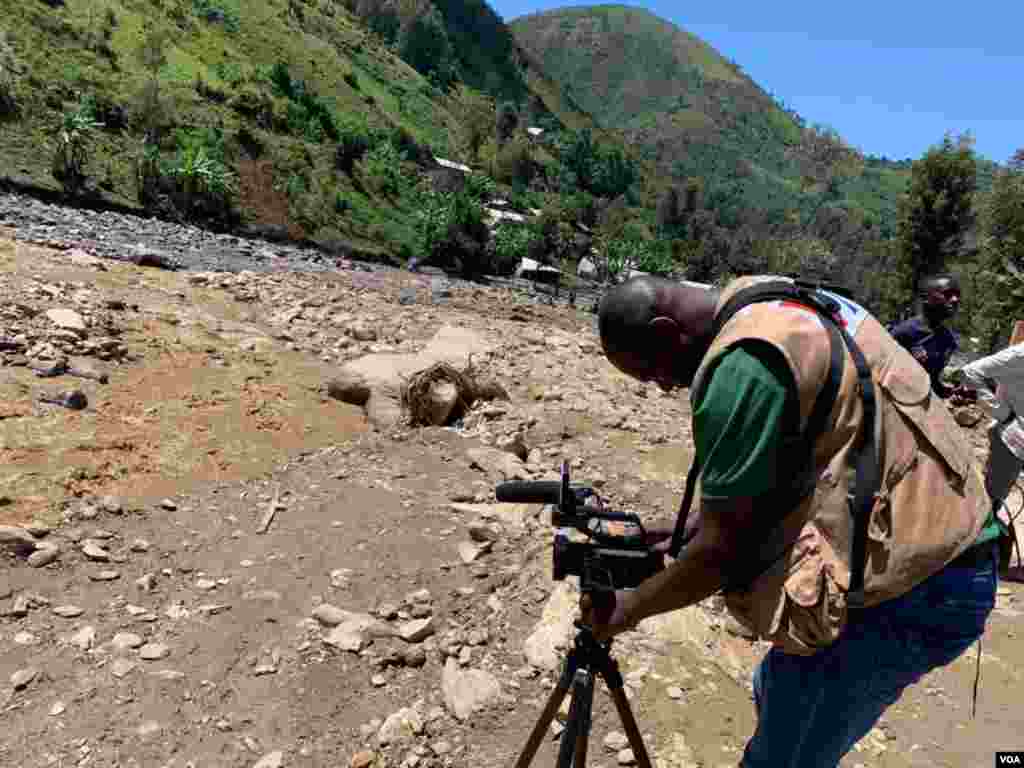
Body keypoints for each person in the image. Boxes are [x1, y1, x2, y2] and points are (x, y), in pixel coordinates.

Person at [584, 275, 1000, 768]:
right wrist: (690, 528)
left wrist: (624, 611)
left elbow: (720, 555)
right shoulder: (768, 297)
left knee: (782, 755)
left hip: (919, 585)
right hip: (949, 544)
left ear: (666, 330)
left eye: (652, 371)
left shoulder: (745, 364)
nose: (665, 385)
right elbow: (822, 437)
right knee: (778, 687)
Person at [958, 342, 1024, 572]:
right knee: (991, 502)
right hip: (1012, 440)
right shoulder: (1019, 354)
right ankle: (973, 561)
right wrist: (1000, 411)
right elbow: (971, 372)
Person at [888, 273, 962, 398]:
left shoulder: (948, 339)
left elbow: (932, 380)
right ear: (926, 298)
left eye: (957, 296)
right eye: (948, 294)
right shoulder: (904, 332)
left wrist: (948, 392)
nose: (955, 300)